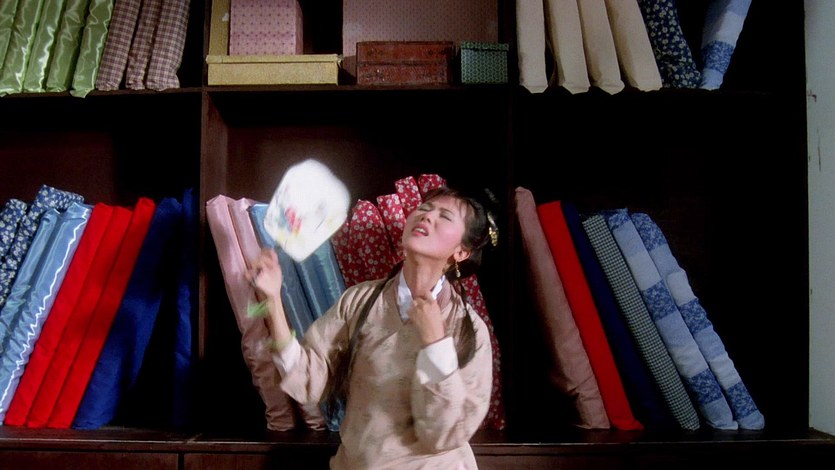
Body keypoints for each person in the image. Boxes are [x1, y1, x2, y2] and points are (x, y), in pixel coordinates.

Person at [247, 186, 497, 469]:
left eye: (445, 216)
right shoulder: (359, 301)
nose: (427, 217)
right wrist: (273, 300)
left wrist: (435, 343)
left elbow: (441, 435)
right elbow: (307, 380)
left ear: (461, 252)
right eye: (425, 209)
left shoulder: (470, 331)